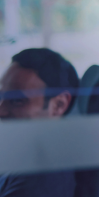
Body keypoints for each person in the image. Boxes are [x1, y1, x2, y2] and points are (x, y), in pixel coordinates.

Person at [0, 48, 80, 197]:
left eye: (17, 101)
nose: (1, 111)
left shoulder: (42, 176)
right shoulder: (25, 151)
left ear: (58, 105)